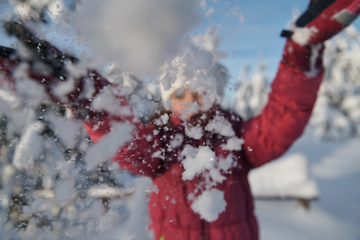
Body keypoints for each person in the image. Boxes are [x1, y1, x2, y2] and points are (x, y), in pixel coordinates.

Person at [0, 0, 359, 239]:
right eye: (180, 94)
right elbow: (127, 142)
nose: (191, 101)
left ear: (216, 93)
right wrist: (92, 99)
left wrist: (300, 55)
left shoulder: (236, 139)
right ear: (169, 100)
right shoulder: (159, 145)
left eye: (200, 91)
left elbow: (282, 120)